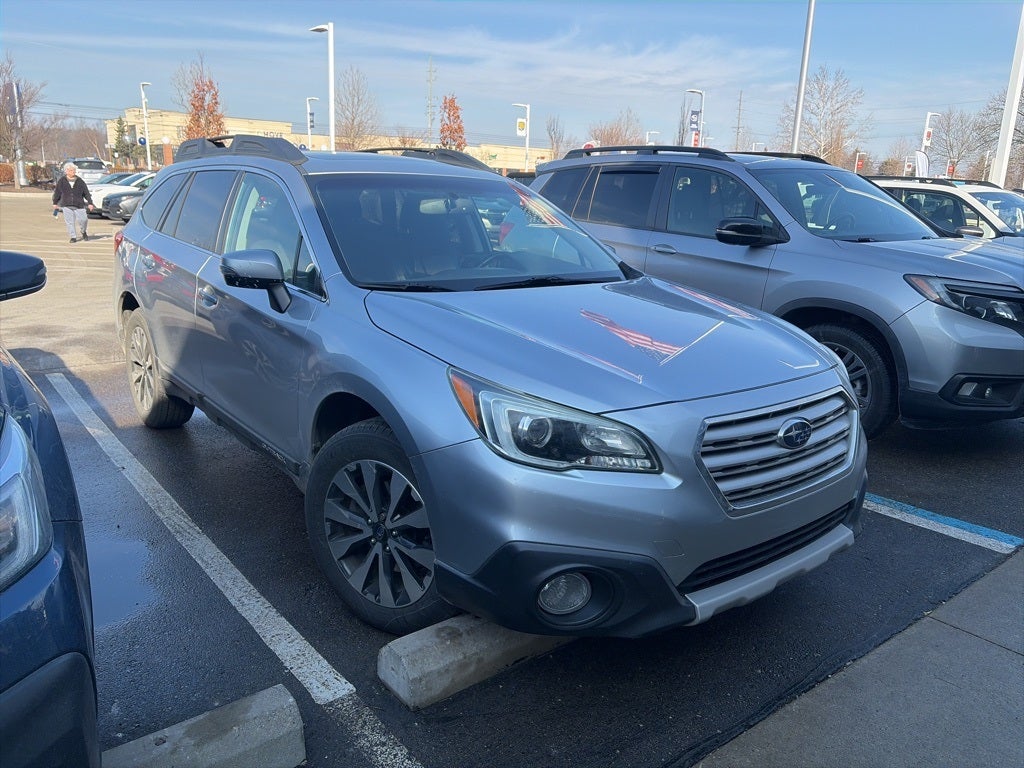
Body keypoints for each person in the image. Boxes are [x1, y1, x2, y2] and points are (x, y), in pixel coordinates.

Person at [52, 162, 94, 242]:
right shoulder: (62, 181)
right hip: (66, 204)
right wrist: (55, 203)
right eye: (71, 170)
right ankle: (73, 237)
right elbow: (57, 192)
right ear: (66, 171)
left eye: (74, 170)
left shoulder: (80, 181)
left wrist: (90, 203)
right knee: (70, 222)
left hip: (79, 204)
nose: (73, 172)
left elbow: (86, 193)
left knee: (84, 220)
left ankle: (83, 231)